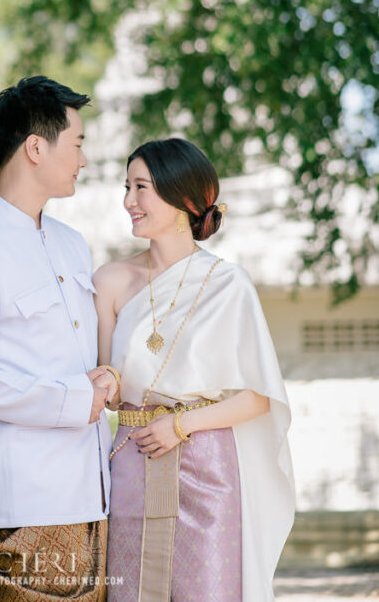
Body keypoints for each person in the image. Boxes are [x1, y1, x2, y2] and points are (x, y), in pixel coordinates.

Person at [0, 76, 117, 602]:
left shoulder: (71, 245)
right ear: (36, 147)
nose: (83, 159)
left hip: (90, 494)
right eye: (77, 143)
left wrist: (105, 377)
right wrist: (73, 399)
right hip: (26, 505)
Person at [95, 138, 295, 602]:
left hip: (207, 469)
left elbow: (258, 395)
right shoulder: (110, 280)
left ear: (181, 197)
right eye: (127, 187)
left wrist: (182, 424)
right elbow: (105, 381)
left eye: (140, 187)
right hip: (133, 457)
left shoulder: (229, 284)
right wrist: (106, 381)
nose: (128, 201)